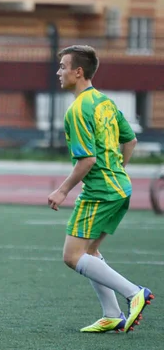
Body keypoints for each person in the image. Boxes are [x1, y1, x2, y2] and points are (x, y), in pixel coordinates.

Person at [47, 45, 154, 333]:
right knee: (89, 252)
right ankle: (112, 314)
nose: (58, 72)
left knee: (72, 256)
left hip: (100, 193)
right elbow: (129, 141)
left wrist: (62, 190)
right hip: (120, 188)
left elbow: (88, 159)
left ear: (78, 72)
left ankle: (134, 294)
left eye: (62, 67)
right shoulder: (104, 102)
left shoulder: (78, 109)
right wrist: (117, 171)